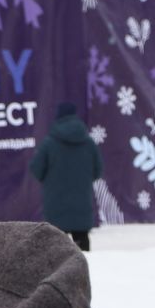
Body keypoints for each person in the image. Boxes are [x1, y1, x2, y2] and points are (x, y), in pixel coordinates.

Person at [30, 102, 102, 251]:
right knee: (83, 250)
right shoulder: (88, 143)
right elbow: (98, 170)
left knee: (56, 252)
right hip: (82, 204)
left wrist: (51, 181)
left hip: (55, 206)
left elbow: (36, 169)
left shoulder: (49, 143)